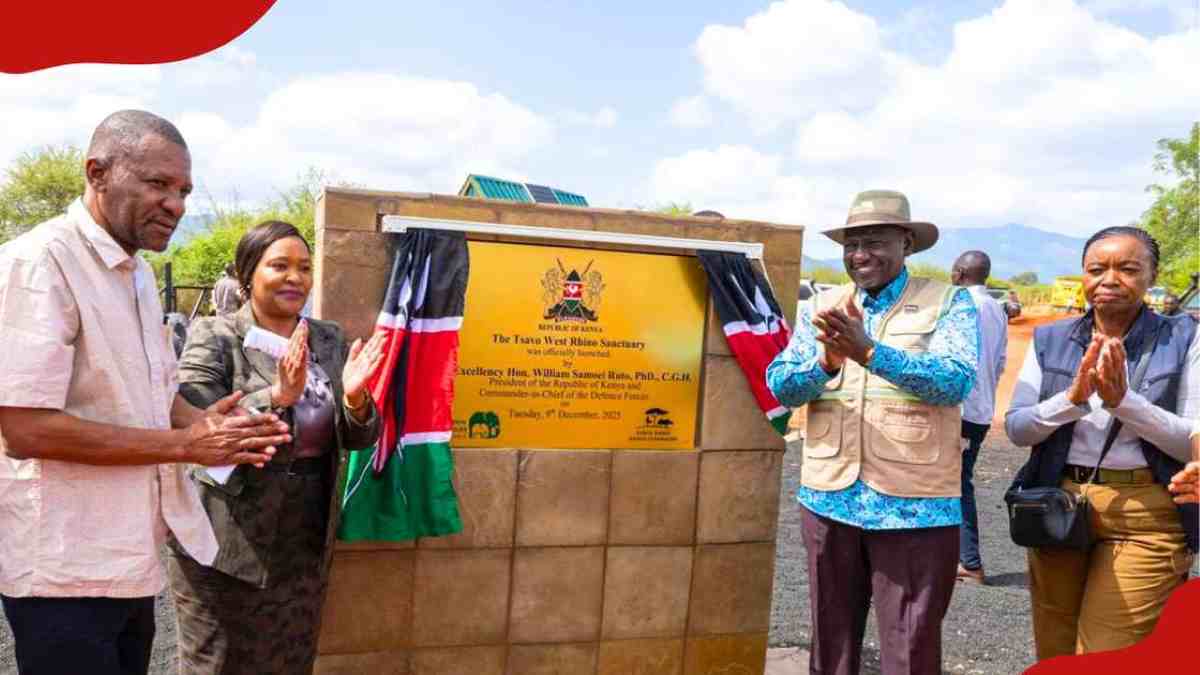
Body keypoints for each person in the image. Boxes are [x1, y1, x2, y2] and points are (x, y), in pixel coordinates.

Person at [0, 110, 290, 675]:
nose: (176, 205)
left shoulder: (133, 273)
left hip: (129, 557)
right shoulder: (40, 263)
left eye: (183, 190)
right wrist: (185, 447)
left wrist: (211, 427)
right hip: (63, 568)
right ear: (98, 172)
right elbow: (24, 429)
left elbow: (154, 396)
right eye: (157, 184)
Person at [767, 190, 979, 675]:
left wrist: (870, 352)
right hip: (829, 500)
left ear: (906, 242)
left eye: (875, 242)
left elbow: (954, 381)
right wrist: (826, 361)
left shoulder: (949, 301)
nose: (860, 255)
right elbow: (781, 384)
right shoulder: (820, 305)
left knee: (910, 649)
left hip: (914, 507)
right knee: (831, 644)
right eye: (852, 244)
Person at [167, 220, 385, 674]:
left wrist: (355, 398)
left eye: (304, 268)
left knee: (290, 659)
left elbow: (361, 436)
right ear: (249, 274)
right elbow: (195, 421)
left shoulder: (326, 338)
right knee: (220, 664)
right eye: (279, 265)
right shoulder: (216, 335)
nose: (295, 277)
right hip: (225, 538)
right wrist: (276, 397)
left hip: (304, 534)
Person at [1005, 226, 1198, 658]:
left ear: (1152, 275)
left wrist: (1124, 402)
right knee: (1054, 650)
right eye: (1097, 269)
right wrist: (1071, 401)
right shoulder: (1050, 338)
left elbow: (1192, 443)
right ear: (1083, 276)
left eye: (1128, 268)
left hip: (1146, 513)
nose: (1110, 279)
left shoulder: (1185, 338)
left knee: (1106, 654)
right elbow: (1018, 429)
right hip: (1058, 504)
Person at [950, 251, 1008, 584]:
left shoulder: (960, 305)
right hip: (980, 409)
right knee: (956, 480)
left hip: (959, 409)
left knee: (955, 483)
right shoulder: (998, 309)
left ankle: (969, 563)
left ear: (958, 274)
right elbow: (1000, 362)